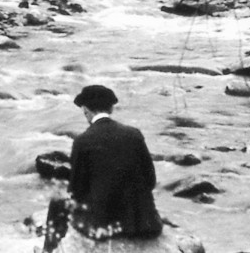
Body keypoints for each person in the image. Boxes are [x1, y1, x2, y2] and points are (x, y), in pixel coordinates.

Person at [43, 84, 162, 251]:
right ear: (111, 108)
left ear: (86, 110)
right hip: (144, 224)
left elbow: (76, 190)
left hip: (103, 227)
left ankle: (49, 251)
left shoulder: (82, 141)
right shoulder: (134, 134)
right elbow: (150, 180)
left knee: (57, 203)